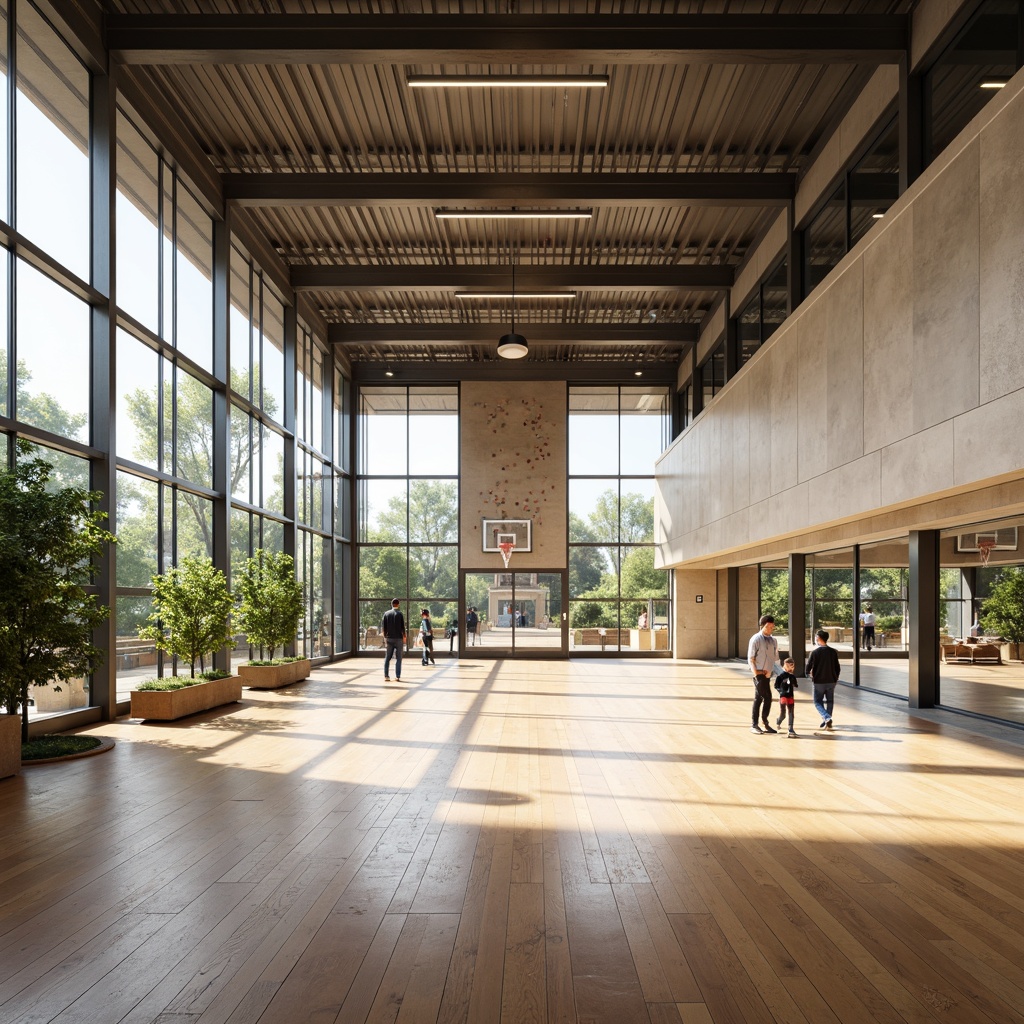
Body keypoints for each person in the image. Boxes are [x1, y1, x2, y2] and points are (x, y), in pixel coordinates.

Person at [747, 614, 779, 734]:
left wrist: (776, 674)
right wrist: (757, 673)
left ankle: (765, 723)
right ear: (763, 626)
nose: (771, 629)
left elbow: (775, 659)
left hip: (768, 674)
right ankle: (754, 725)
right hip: (759, 674)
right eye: (769, 627)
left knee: (768, 698)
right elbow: (751, 658)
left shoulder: (773, 640)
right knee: (759, 698)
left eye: (772, 627)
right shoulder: (755, 639)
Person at [806, 628, 841, 730]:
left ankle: (826, 718)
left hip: (819, 681)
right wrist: (836, 678)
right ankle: (827, 720)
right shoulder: (833, 652)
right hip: (831, 681)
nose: (816, 638)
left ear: (819, 638)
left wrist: (808, 674)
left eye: (816, 636)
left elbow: (808, 667)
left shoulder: (814, 653)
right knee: (830, 701)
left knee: (817, 702)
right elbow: (837, 667)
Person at [774, 657, 800, 737]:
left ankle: (790, 729)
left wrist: (793, 679)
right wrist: (781, 691)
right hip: (783, 696)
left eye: (792, 665)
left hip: (790, 696)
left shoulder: (792, 676)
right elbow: (776, 686)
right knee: (783, 714)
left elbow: (796, 685)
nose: (791, 667)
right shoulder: (780, 676)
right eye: (789, 665)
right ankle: (778, 721)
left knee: (791, 712)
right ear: (785, 665)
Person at [381, 598, 406, 681]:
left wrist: (385, 638)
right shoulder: (400, 614)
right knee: (399, 658)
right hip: (398, 639)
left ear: (391, 604)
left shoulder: (386, 614)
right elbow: (403, 628)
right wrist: (404, 638)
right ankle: (397, 676)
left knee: (387, 658)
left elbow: (384, 628)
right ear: (398, 604)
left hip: (389, 639)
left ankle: (386, 676)